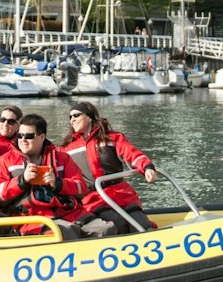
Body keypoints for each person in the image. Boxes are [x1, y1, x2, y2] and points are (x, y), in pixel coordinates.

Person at [60, 101, 157, 236]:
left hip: (121, 194)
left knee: (142, 224)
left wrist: (146, 167)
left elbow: (132, 154)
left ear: (89, 116)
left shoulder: (113, 138)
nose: (72, 120)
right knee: (118, 224)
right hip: (93, 199)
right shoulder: (66, 148)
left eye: (76, 115)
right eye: (70, 117)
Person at [0, 112, 88, 236]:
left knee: (104, 228)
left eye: (29, 136)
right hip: (28, 218)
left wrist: (58, 183)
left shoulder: (62, 158)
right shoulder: (5, 161)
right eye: (19, 135)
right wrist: (22, 181)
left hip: (65, 212)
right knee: (66, 232)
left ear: (42, 137)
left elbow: (81, 187)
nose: (23, 140)